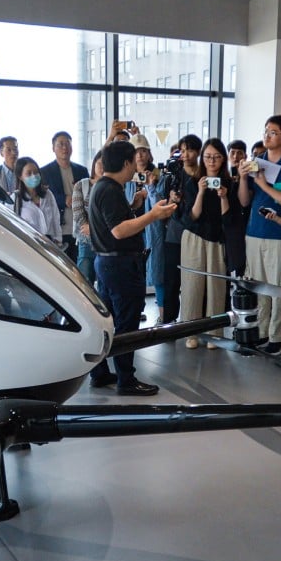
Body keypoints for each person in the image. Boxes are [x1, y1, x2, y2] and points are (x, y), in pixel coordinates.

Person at [88, 140, 177, 396]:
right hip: (119, 265)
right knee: (126, 324)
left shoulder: (103, 187)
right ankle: (126, 380)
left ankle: (101, 372)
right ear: (126, 163)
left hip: (108, 263)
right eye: (133, 160)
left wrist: (135, 207)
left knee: (109, 322)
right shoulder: (110, 189)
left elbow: (115, 222)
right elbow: (118, 230)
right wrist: (152, 216)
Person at [237, 115, 281, 355]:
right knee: (259, 288)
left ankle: (276, 338)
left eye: (274, 132)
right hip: (254, 231)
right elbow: (245, 201)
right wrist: (243, 177)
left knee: (278, 288)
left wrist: (265, 185)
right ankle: (261, 333)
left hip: (280, 234)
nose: (267, 135)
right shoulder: (258, 160)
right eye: (266, 131)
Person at [180, 138, 235, 349]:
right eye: (208, 156)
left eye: (217, 156)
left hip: (217, 239)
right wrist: (202, 191)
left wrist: (223, 197)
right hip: (194, 237)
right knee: (192, 286)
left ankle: (215, 333)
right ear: (203, 158)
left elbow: (228, 218)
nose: (212, 161)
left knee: (216, 287)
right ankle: (189, 332)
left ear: (223, 159)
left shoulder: (229, 183)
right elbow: (192, 216)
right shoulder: (193, 181)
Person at [128, 134, 169, 322]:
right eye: (136, 152)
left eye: (143, 151)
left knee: (158, 272)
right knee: (135, 273)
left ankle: (163, 314)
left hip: (153, 229)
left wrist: (150, 188)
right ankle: (136, 312)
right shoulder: (127, 175)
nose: (140, 156)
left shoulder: (158, 174)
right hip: (132, 228)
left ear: (149, 154)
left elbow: (160, 202)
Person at [163, 134, 202, 324]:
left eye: (190, 150)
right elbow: (164, 207)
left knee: (194, 282)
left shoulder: (203, 176)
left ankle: (193, 321)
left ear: (198, 152)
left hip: (196, 234)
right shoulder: (173, 175)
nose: (185, 155)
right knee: (171, 281)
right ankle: (169, 320)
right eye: (183, 150)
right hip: (175, 234)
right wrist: (172, 199)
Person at [40, 131, 88, 260]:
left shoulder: (81, 170)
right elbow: (42, 197)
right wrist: (63, 199)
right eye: (60, 144)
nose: (65, 147)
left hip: (80, 228)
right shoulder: (45, 171)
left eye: (68, 144)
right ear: (53, 148)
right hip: (60, 228)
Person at [12, 156, 62, 244]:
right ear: (20, 177)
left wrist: (58, 239)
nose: (33, 176)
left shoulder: (48, 194)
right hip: (29, 245)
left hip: (50, 244)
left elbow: (56, 218)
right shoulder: (15, 199)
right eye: (29, 173)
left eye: (36, 172)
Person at [72, 151, 104, 284]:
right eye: (100, 163)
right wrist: (89, 227)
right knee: (84, 281)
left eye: (106, 165)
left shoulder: (112, 187)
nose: (102, 167)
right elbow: (78, 212)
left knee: (104, 282)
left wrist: (95, 229)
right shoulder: (82, 185)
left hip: (104, 242)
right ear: (94, 164)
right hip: (86, 241)